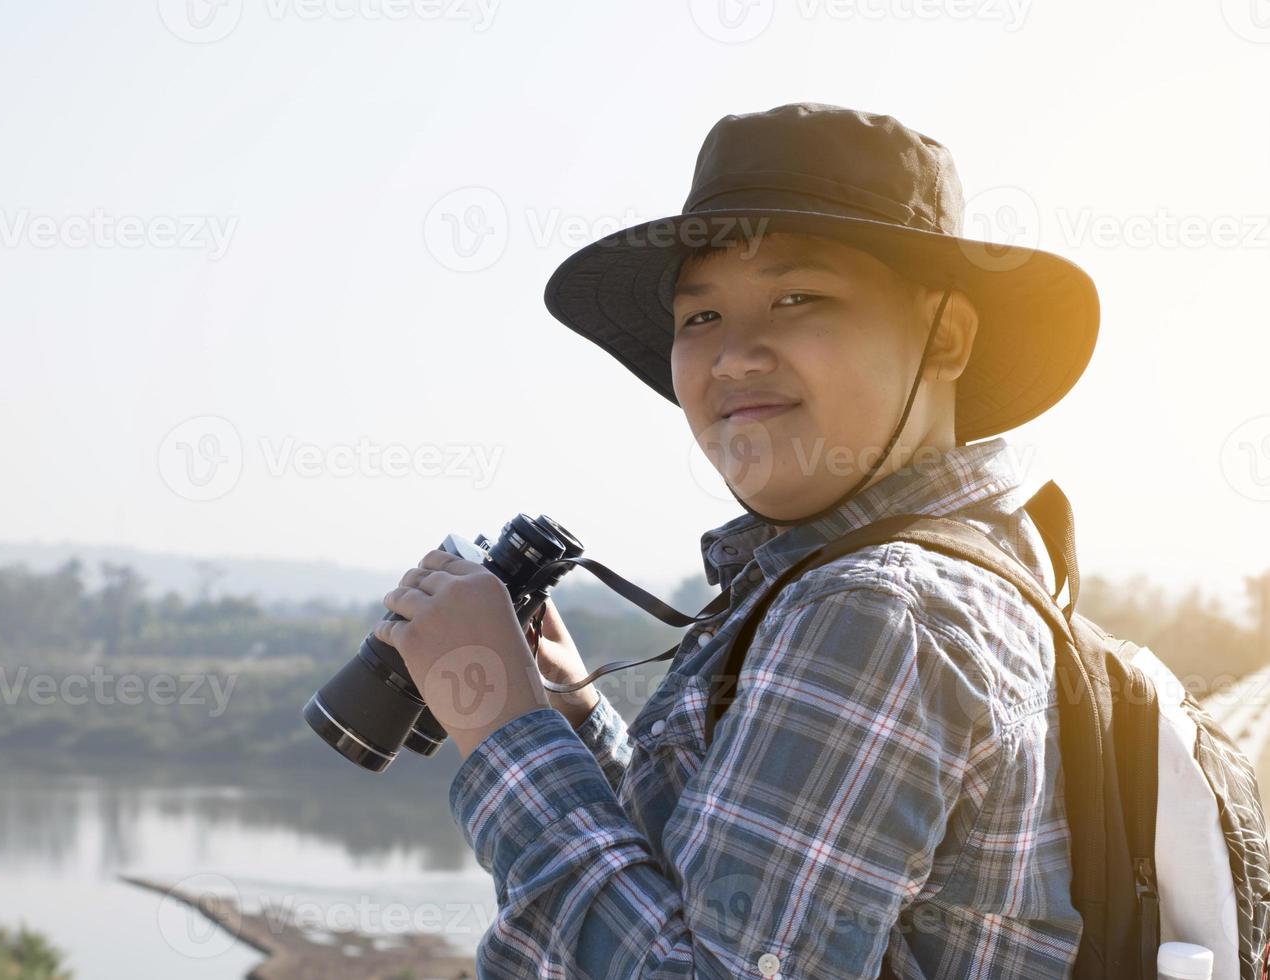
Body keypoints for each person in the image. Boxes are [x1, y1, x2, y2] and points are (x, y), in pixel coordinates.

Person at [374, 102, 1099, 978]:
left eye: (797, 298)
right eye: (700, 318)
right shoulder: (974, 565)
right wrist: (571, 718)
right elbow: (721, 901)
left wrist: (501, 726)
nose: (733, 357)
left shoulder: (879, 608)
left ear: (944, 335)